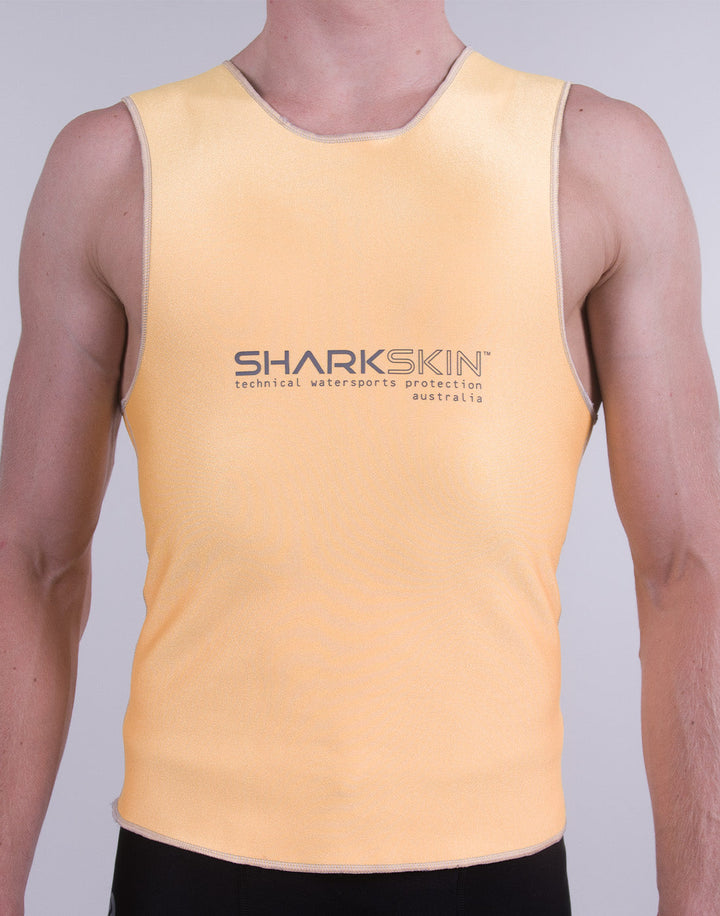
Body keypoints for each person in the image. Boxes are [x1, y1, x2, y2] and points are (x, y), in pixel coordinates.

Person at [1, 1, 719, 913]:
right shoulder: (114, 169)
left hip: (492, 875)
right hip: (185, 870)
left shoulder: (594, 163)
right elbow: (30, 563)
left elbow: (689, 568)